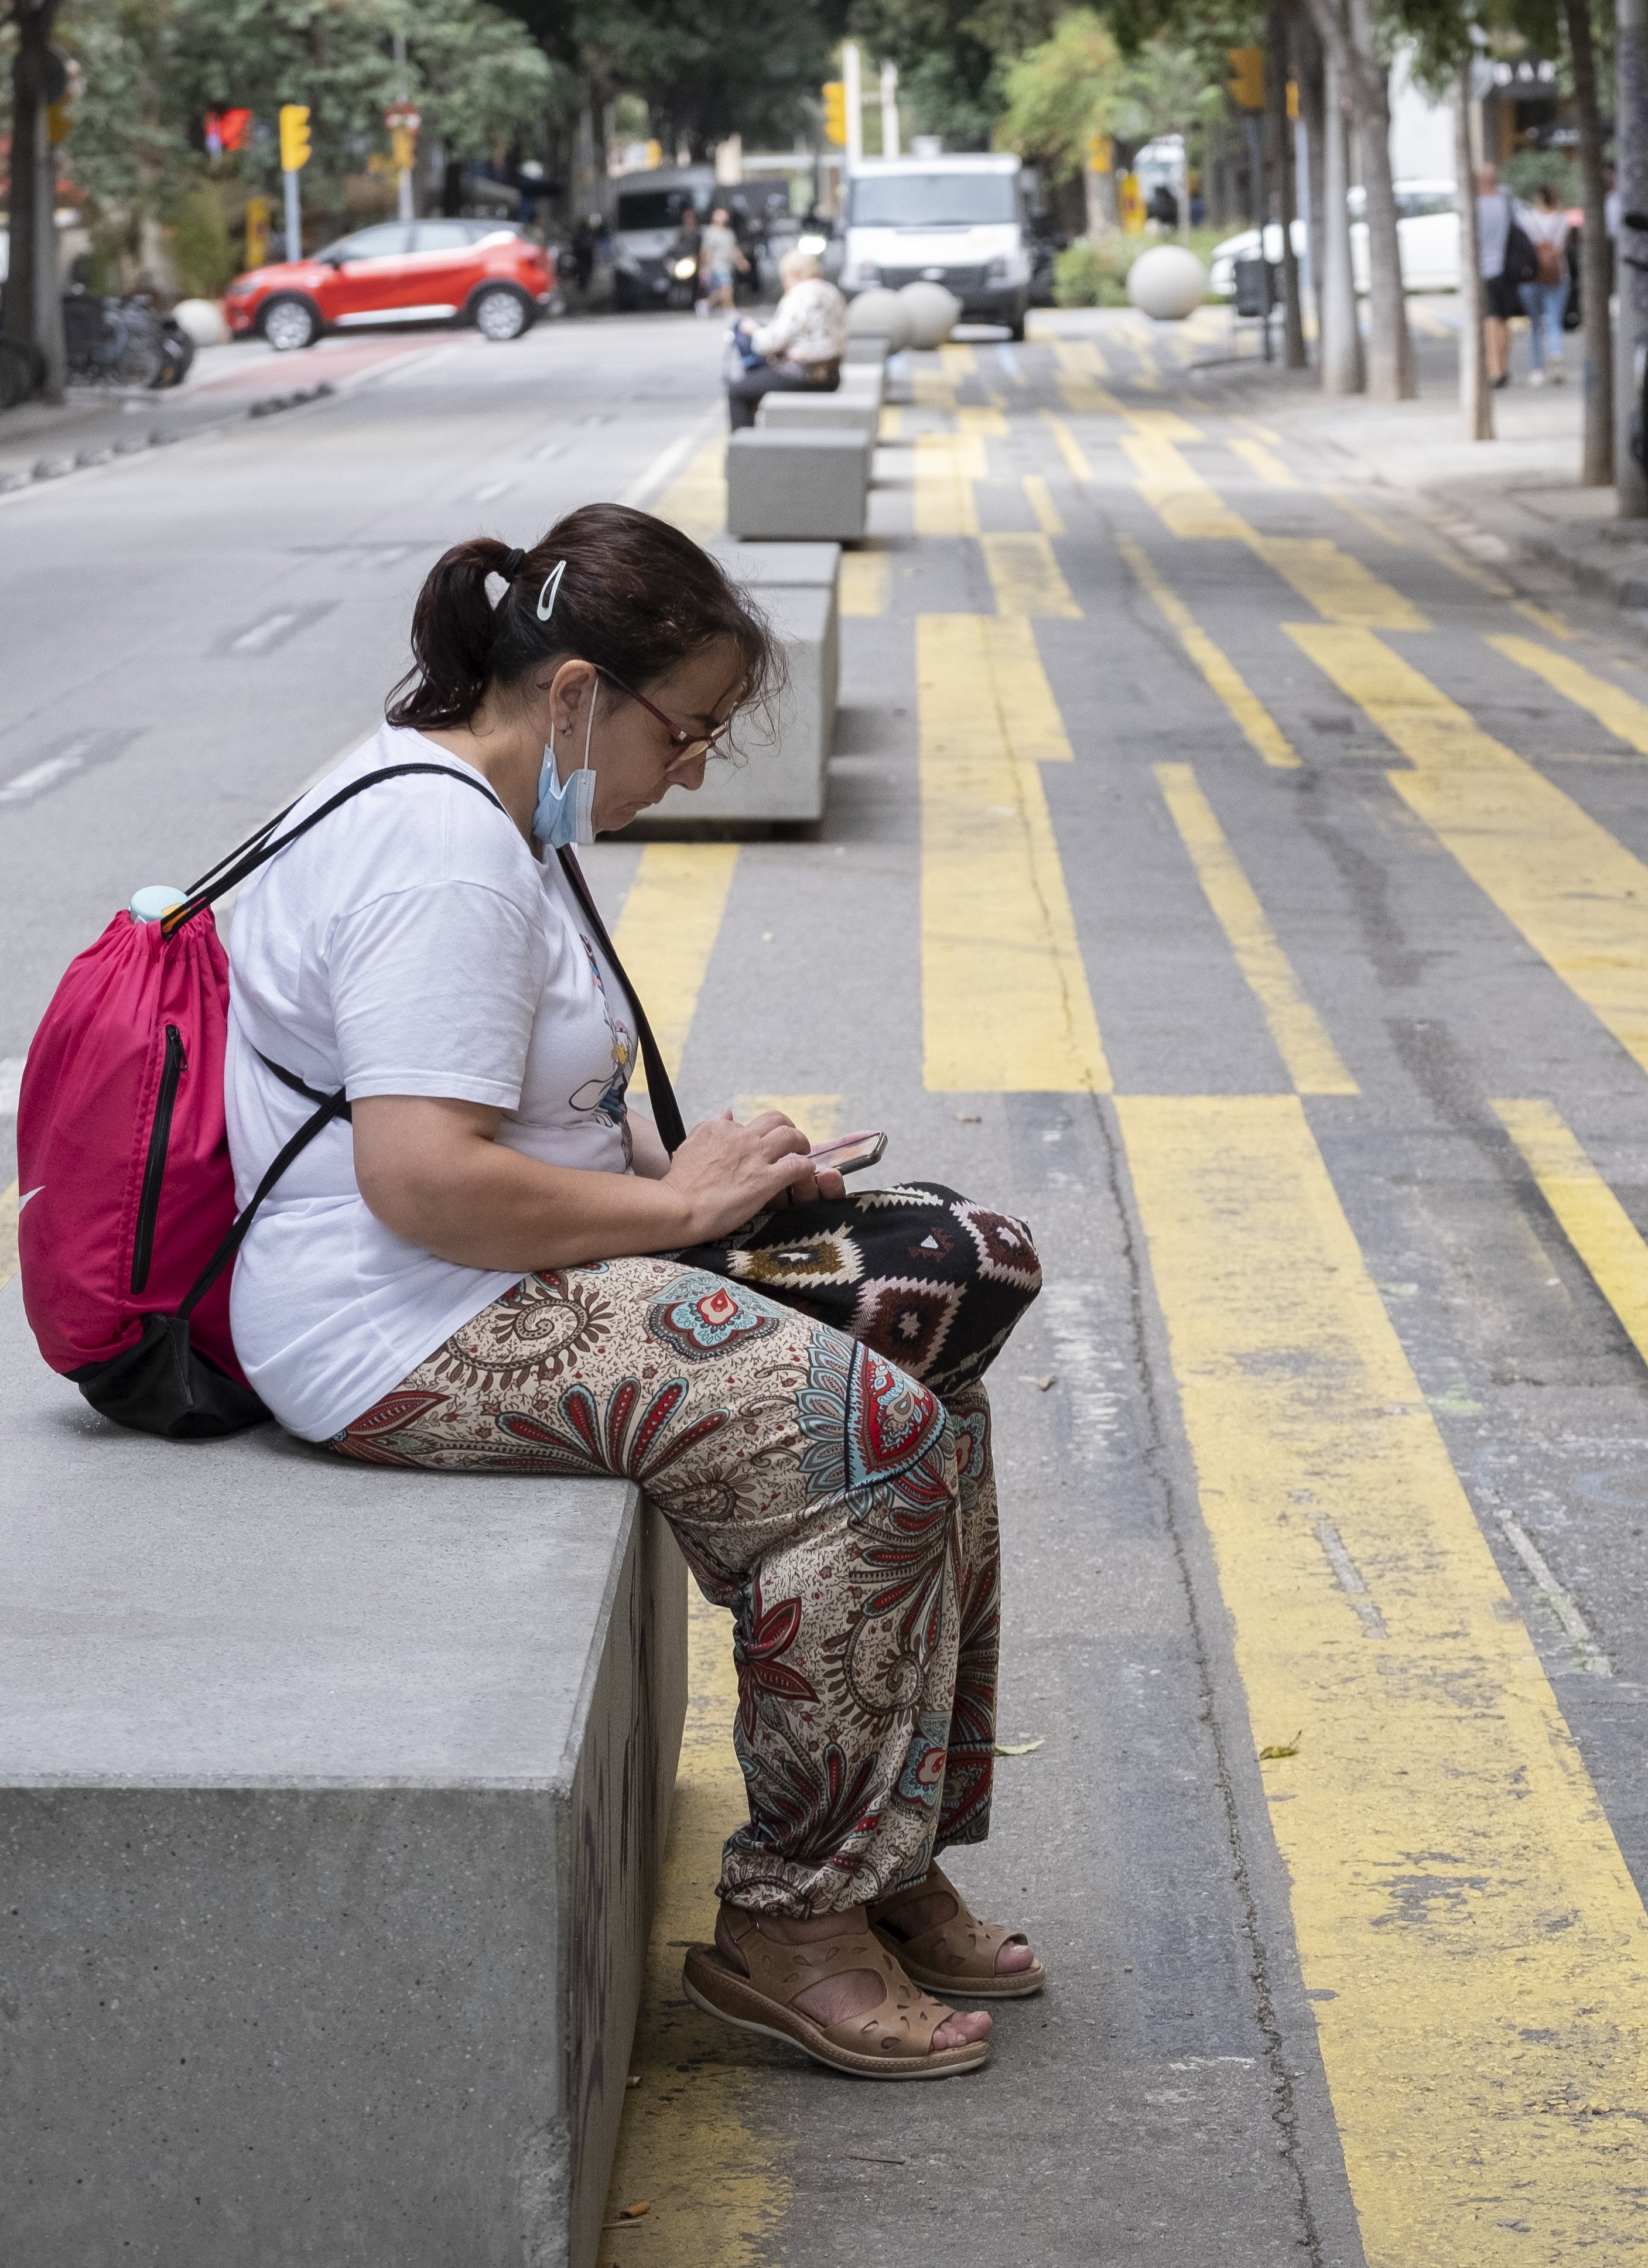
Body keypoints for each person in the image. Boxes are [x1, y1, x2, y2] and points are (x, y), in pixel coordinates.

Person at [216, 504, 1038, 2081]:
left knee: (946, 1319)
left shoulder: (499, 818)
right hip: (405, 1317)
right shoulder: (438, 847)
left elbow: (535, 1116)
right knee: (868, 1431)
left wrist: (714, 1169)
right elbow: (424, 1180)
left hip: (498, 1265)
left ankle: (893, 1845)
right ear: (580, 693)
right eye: (695, 727)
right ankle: (793, 1924)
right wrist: (672, 1207)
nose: (703, 766)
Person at [724, 246, 847, 428]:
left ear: (793, 274)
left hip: (805, 376)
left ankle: (745, 451)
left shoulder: (800, 294)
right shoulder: (831, 292)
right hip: (833, 376)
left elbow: (770, 342)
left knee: (738, 392)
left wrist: (754, 331)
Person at [1470, 160, 1522, 388]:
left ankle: (1495, 370)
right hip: (1508, 270)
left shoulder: (1475, 206)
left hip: (1485, 270)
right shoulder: (1507, 203)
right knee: (1503, 320)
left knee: (1491, 320)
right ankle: (1503, 366)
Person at [1517, 183, 1572, 386]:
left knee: (1535, 324)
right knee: (1554, 321)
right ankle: (1556, 356)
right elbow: (1562, 247)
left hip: (1532, 275)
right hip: (1558, 275)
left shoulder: (1527, 219)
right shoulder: (1562, 220)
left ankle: (1537, 369)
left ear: (1539, 198)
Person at [695, 208, 743, 318]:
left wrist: (741, 261)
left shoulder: (729, 233)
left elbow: (734, 249)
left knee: (722, 291)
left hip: (727, 265)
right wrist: (704, 267)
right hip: (717, 265)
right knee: (727, 288)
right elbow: (705, 251)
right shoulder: (711, 232)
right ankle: (730, 311)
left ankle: (705, 304)